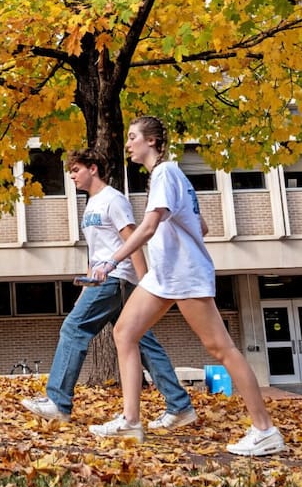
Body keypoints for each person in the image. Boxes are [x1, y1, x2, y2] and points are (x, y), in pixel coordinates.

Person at [88, 116, 286, 456]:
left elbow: (149, 227)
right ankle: (131, 421)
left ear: (151, 141)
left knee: (220, 348)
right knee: (124, 333)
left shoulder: (165, 173)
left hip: (184, 275)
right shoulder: (168, 176)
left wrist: (111, 260)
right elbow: (202, 226)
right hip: (164, 276)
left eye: (133, 137)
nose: (129, 143)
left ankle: (265, 430)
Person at [21, 148, 197, 431]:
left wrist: (144, 285)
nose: (72, 176)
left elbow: (133, 240)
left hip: (116, 279)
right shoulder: (90, 205)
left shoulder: (114, 200)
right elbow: (97, 252)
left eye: (76, 170)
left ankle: (58, 402)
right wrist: (86, 286)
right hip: (103, 279)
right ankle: (179, 406)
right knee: (142, 341)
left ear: (93, 168)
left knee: (73, 329)